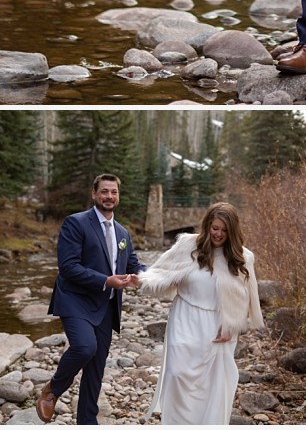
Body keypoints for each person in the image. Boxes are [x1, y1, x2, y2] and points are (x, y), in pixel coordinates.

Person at [137, 202, 263, 424]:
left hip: (218, 325)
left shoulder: (243, 257)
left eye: (224, 230)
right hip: (185, 318)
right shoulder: (188, 245)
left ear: (232, 231)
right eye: (215, 228)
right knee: (176, 374)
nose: (219, 234)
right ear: (207, 225)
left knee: (214, 384)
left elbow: (246, 297)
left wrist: (232, 327)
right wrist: (137, 280)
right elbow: (159, 272)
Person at [36, 174, 144, 425]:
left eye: (114, 192)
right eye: (104, 191)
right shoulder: (75, 223)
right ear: (94, 194)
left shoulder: (122, 232)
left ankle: (87, 422)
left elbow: (134, 265)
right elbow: (68, 267)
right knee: (85, 347)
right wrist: (106, 280)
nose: (109, 196)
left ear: (119, 196)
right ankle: (53, 390)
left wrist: (163, 276)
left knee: (96, 369)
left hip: (106, 306)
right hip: (75, 300)